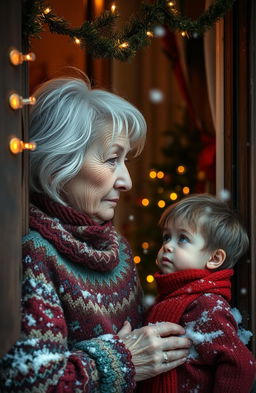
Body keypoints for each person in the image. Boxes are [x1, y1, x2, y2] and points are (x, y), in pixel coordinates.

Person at [0, 74, 191, 393]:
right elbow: (29, 383)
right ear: (59, 163)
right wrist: (121, 359)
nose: (126, 181)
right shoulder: (35, 254)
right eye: (112, 159)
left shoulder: (117, 248)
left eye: (125, 160)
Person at [138, 194, 256, 393]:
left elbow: (240, 365)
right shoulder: (169, 297)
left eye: (183, 238)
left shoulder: (206, 304)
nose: (167, 245)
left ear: (214, 258)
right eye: (167, 236)